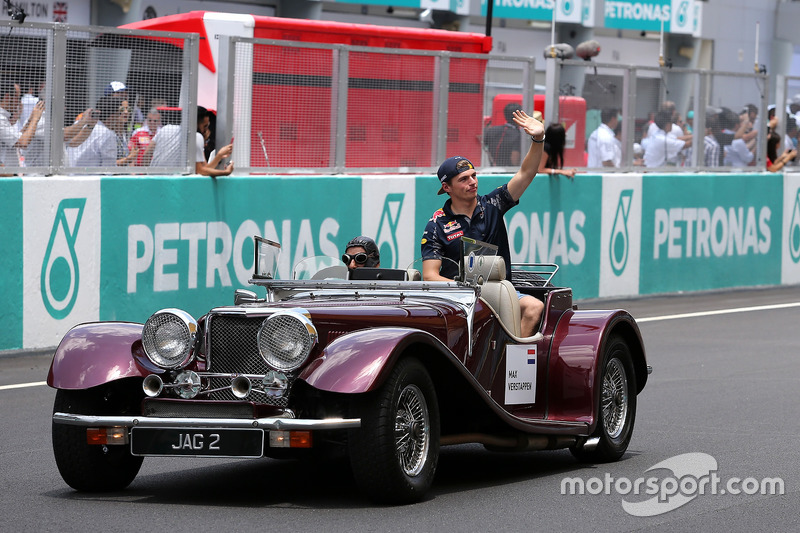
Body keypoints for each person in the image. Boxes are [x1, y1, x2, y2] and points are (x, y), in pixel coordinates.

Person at [421, 108, 545, 337]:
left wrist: (538, 139)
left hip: (499, 293)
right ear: (446, 188)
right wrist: (465, 291)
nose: (473, 182)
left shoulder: (494, 203)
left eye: (474, 176)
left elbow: (527, 173)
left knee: (534, 307)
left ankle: (511, 363)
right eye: (464, 179)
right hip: (458, 298)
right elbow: (429, 275)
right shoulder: (436, 224)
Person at [145, 106, 233, 176]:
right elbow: (202, 171)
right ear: (196, 124)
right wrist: (220, 158)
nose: (206, 130)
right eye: (205, 126)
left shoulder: (165, 129)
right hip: (173, 185)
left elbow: (146, 155)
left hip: (152, 179)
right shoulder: (196, 137)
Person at [72, 95, 137, 167]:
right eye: (120, 113)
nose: (125, 113)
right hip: (92, 176)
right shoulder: (107, 134)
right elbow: (108, 168)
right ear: (113, 115)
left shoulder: (79, 124)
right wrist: (129, 158)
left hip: (70, 174)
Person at [0, 76, 45, 169]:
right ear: (8, 97)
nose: (19, 102)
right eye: (17, 97)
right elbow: (23, 142)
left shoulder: (4, 117)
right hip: (5, 176)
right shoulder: (0, 119)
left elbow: (19, 136)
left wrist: (30, 119)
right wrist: (35, 119)